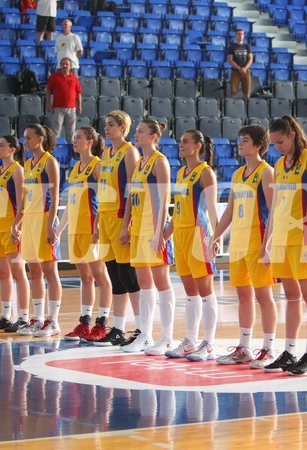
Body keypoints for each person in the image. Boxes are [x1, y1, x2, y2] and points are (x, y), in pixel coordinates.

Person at [210, 125, 278, 368]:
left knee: (263, 295)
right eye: (239, 139)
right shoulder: (239, 174)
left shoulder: (266, 172)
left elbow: (273, 212)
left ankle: (269, 348)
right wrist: (216, 236)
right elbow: (229, 210)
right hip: (238, 243)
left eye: (245, 140)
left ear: (258, 145)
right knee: (243, 295)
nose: (240, 143)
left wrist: (268, 244)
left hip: (258, 242)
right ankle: (244, 347)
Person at [261, 116, 307, 376]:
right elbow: (275, 206)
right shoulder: (278, 163)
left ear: (293, 135)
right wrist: (268, 241)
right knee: (291, 297)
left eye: (281, 141)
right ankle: (290, 350)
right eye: (274, 143)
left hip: (302, 238)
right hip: (282, 238)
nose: (278, 146)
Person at [161, 130, 220, 361]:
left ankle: (209, 343)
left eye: (185, 142)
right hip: (182, 235)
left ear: (197, 145)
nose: (180, 145)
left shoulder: (205, 173)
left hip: (200, 233)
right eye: (180, 141)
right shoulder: (181, 172)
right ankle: (190, 341)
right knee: (190, 292)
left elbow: (213, 209)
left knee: (205, 291)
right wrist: (166, 235)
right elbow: (177, 210)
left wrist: (215, 239)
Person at [122, 119, 175, 353]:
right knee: (143, 283)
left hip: (154, 229)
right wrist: (126, 226)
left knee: (162, 282)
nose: (136, 134)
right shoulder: (139, 163)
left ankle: (167, 336)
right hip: (139, 228)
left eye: (141, 131)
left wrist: (160, 233)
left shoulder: (159, 161)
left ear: (154, 136)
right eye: (136, 131)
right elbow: (131, 199)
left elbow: (164, 200)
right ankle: (144, 334)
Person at [57, 127, 114, 343]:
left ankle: (102, 324)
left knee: (101, 277)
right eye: (74, 137)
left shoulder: (97, 166)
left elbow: (105, 200)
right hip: (75, 230)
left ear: (90, 142)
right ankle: (85, 322)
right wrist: (60, 230)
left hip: (91, 229)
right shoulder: (74, 169)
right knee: (85, 277)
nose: (74, 140)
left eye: (79, 137)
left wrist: (98, 229)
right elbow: (70, 205)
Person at [92, 111, 141, 347]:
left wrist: (126, 225)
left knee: (129, 278)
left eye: (111, 125)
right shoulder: (106, 153)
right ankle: (119, 328)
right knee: (116, 278)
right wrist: (97, 225)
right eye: (105, 124)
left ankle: (141, 329)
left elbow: (132, 191)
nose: (106, 128)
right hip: (106, 220)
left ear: (123, 127)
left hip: (122, 219)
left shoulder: (129, 152)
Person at [15, 124, 63, 338]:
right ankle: (38, 318)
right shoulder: (27, 163)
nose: (25, 142)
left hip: (44, 219)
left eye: (29, 137)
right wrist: (17, 223)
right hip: (30, 221)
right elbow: (25, 200)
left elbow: (55, 197)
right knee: (34, 272)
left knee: (50, 272)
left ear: (40, 139)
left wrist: (51, 225)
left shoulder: (50, 162)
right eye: (24, 138)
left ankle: (53, 321)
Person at [0, 136, 31, 333]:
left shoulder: (17, 169)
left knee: (19, 273)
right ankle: (6, 315)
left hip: (12, 228)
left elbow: (22, 202)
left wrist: (16, 226)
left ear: (12, 149)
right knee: (3, 274)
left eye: (2, 145)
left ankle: (24, 317)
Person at [46, 57, 82, 144]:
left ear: (70, 66)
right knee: (55, 131)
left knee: (71, 132)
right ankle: (54, 149)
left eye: (67, 64)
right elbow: (48, 90)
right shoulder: (54, 77)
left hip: (71, 108)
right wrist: (48, 103)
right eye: (63, 64)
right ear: (60, 66)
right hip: (58, 107)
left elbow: (78, 93)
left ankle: (70, 151)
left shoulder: (74, 78)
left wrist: (79, 105)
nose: (64, 66)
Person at [227, 29, 253, 99]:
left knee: (247, 91)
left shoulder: (247, 46)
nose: (240, 35)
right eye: (238, 34)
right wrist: (239, 68)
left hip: (246, 71)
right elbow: (230, 60)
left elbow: (250, 59)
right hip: (235, 71)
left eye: (242, 34)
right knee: (233, 91)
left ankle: (246, 107)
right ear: (235, 35)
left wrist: (245, 68)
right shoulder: (232, 47)